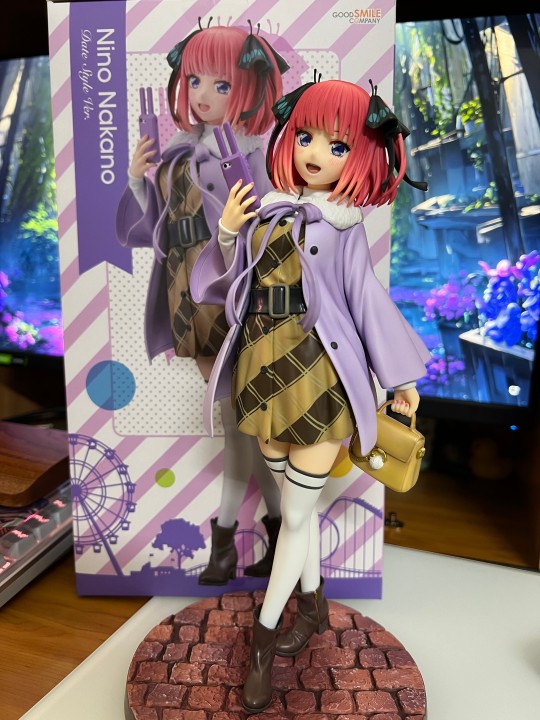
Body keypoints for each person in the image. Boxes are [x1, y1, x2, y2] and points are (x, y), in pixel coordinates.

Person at [190, 76, 431, 711]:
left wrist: (400, 379)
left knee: (296, 516)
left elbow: (368, 300)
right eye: (306, 137)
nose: (316, 153)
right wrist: (228, 232)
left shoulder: (345, 228)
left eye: (337, 145)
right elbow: (221, 288)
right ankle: (315, 604)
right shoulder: (267, 210)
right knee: (296, 510)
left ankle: (263, 643)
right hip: (262, 372)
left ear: (364, 156)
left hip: (319, 377)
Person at [115, 21, 290, 584]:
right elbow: (149, 230)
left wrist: (240, 231)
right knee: (239, 423)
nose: (203, 95)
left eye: (221, 84)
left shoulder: (256, 156)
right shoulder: (177, 153)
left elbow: (273, 235)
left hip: (229, 299)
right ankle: (276, 533)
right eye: (195, 81)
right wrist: (139, 178)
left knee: (239, 423)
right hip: (184, 300)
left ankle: (230, 540)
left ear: (249, 88)